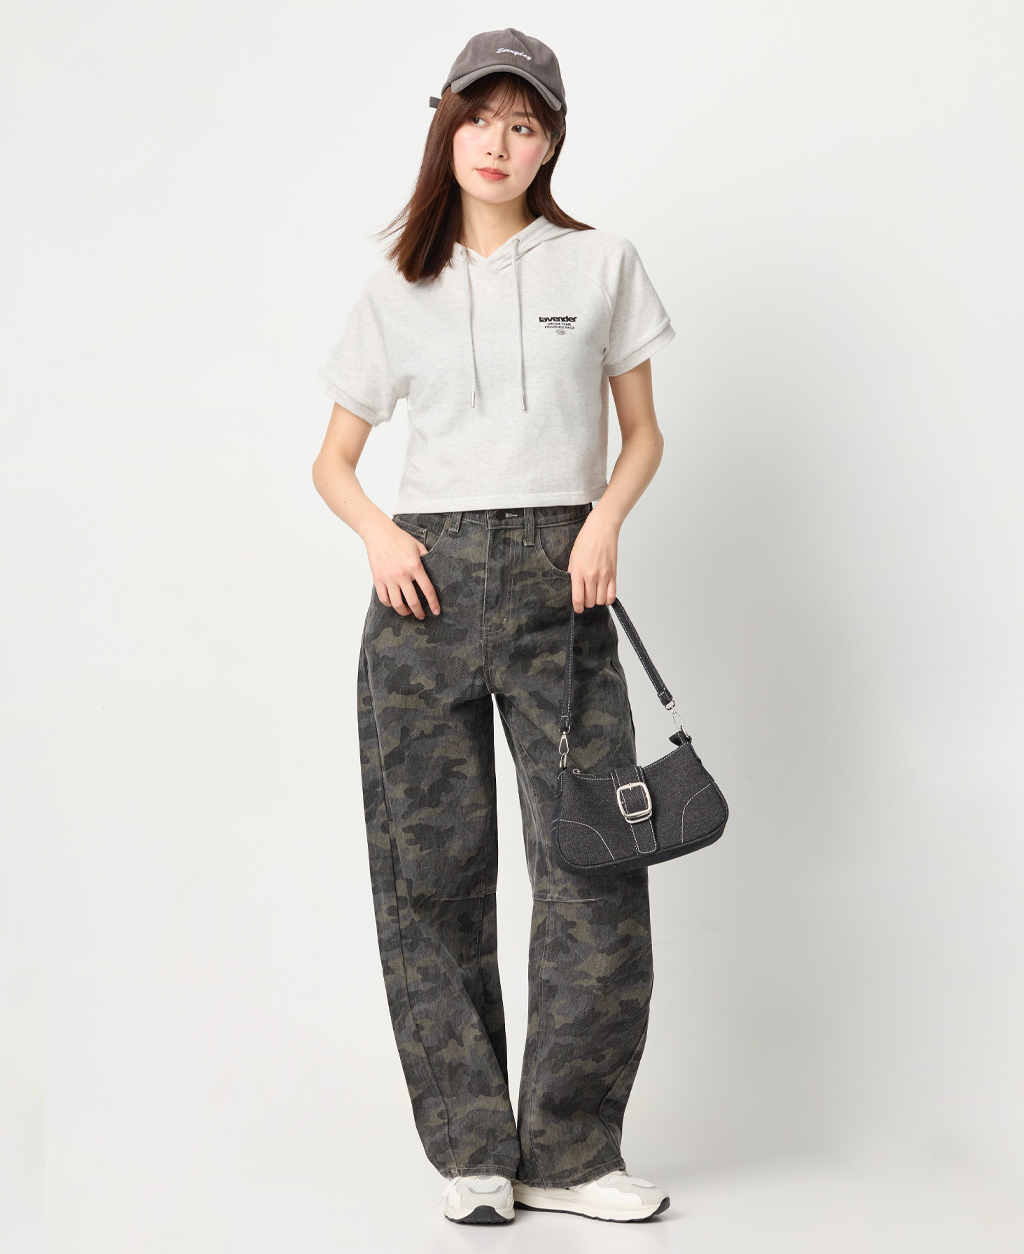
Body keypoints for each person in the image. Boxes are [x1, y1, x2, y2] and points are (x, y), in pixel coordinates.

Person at [312, 28, 675, 1226]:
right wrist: (379, 536)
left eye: (523, 123)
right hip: (420, 596)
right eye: (479, 118)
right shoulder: (397, 287)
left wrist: (603, 522)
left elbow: (643, 435)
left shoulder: (601, 263)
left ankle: (569, 1154)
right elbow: (332, 463)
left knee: (593, 865)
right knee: (431, 876)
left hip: (562, 592)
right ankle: (474, 1150)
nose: (497, 143)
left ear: (550, 142)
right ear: (447, 126)